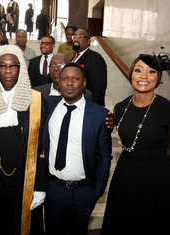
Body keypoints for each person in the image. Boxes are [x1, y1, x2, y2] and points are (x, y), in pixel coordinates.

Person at [0, 45, 47, 235]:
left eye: (13, 66)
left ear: (21, 68)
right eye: (2, 66)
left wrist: (39, 187)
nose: (7, 71)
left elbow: (43, 147)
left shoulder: (37, 100)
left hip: (22, 181)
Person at [100, 53, 170, 235]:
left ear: (159, 78)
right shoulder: (120, 107)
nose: (144, 76)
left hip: (157, 179)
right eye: (138, 70)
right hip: (125, 176)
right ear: (131, 74)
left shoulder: (166, 109)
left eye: (151, 72)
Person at [43, 62, 112, 235]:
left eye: (76, 78)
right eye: (65, 78)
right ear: (58, 82)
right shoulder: (47, 105)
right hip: (54, 189)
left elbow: (105, 156)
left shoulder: (99, 115)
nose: (70, 83)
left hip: (84, 191)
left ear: (84, 82)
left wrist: (97, 190)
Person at [72, 28, 107, 106]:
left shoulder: (95, 58)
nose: (76, 39)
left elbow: (99, 87)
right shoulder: (73, 59)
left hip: (88, 106)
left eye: (80, 36)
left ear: (88, 41)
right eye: (74, 36)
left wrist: (95, 109)